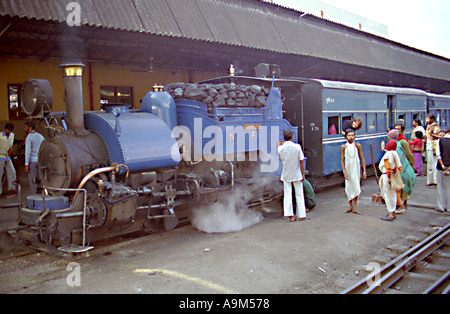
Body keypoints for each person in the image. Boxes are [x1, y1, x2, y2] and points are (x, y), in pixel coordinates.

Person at [278, 129, 308, 222]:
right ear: (292, 137)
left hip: (286, 174)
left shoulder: (280, 148)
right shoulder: (297, 147)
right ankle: (301, 215)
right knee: (299, 194)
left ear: (283, 137)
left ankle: (290, 216)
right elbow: (301, 161)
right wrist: (303, 173)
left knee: (287, 195)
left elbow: (281, 158)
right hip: (296, 173)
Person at [387, 129, 417, 211]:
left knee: (398, 189)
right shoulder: (399, 144)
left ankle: (399, 206)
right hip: (404, 170)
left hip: (400, 171)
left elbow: (395, 162)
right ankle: (403, 204)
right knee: (402, 187)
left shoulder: (396, 148)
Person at [341, 129, 366, 214]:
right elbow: (342, 160)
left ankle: (355, 207)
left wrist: (364, 171)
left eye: (352, 135)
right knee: (348, 187)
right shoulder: (343, 147)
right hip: (348, 169)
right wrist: (344, 171)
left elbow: (362, 158)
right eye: (349, 135)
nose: (351, 137)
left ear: (355, 136)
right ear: (346, 137)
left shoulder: (357, 145)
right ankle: (350, 207)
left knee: (356, 186)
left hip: (356, 169)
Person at [379, 140, 403, 221]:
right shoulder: (395, 153)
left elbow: (387, 166)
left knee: (388, 195)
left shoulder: (388, 154)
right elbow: (399, 167)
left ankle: (390, 215)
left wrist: (389, 177)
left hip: (387, 176)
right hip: (394, 176)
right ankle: (393, 213)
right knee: (393, 195)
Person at [24, 121, 44, 194]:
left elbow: (27, 152)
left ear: (30, 128)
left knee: (33, 180)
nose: (24, 129)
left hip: (32, 161)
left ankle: (34, 196)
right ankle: (42, 195)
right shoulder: (41, 136)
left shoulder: (29, 138)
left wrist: (26, 164)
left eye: (25, 127)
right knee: (41, 178)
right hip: (40, 160)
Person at [425, 113, 444, 186]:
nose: (427, 120)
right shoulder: (428, 126)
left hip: (434, 146)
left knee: (435, 163)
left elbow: (440, 135)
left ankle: (436, 180)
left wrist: (432, 134)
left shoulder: (436, 127)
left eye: (428, 118)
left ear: (432, 119)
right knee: (429, 164)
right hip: (429, 145)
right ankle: (430, 180)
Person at [0, 123, 17, 197]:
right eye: (7, 130)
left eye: (9, 131)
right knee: (0, 174)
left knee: (12, 171)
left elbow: (10, 145)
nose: (8, 132)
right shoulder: (0, 135)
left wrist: (11, 150)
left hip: (7, 156)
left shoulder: (12, 135)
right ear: (5, 129)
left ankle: (11, 188)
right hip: (0, 155)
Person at [436, 128, 450, 212]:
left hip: (440, 167)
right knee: (449, 187)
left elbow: (438, 154)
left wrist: (443, 165)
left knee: (440, 186)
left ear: (445, 132)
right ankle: (449, 207)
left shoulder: (440, 140)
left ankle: (440, 206)